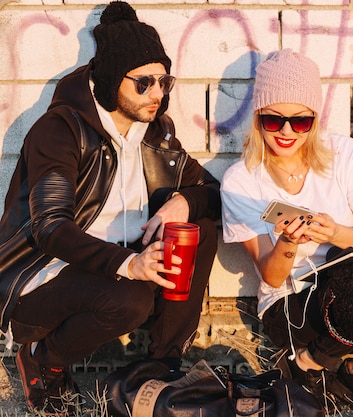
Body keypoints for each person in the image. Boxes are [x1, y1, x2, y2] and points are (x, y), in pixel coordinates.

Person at [0, 1, 221, 414]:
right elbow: (50, 227)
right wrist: (128, 265)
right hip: (42, 279)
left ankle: (162, 366)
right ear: (109, 81)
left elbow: (213, 192)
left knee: (199, 225)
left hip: (117, 273)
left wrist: (184, 201)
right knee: (130, 301)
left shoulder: (156, 136)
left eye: (163, 81)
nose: (158, 94)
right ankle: (41, 359)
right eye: (144, 83)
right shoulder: (60, 130)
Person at [221, 48, 353, 413]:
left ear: (314, 119)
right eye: (273, 120)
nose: (285, 132)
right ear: (257, 118)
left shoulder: (344, 154)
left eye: (299, 122)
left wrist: (333, 234)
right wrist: (286, 242)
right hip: (292, 304)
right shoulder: (241, 181)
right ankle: (308, 365)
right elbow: (270, 274)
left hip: (351, 281)